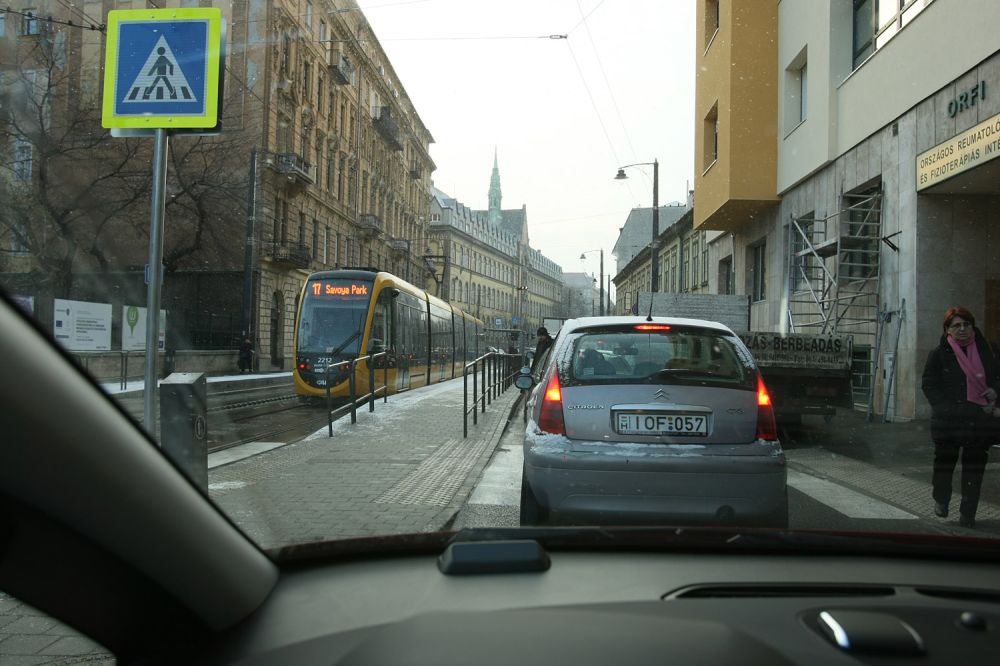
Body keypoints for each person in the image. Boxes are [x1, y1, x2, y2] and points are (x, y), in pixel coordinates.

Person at [920, 306, 1000, 528]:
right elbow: (929, 384)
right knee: (944, 466)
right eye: (957, 325)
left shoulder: (990, 349)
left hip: (979, 420)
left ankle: (968, 514)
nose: (962, 329)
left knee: (974, 469)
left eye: (966, 324)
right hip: (948, 421)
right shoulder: (938, 354)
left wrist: (996, 389)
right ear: (948, 330)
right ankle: (941, 498)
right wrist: (945, 409)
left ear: (973, 327)